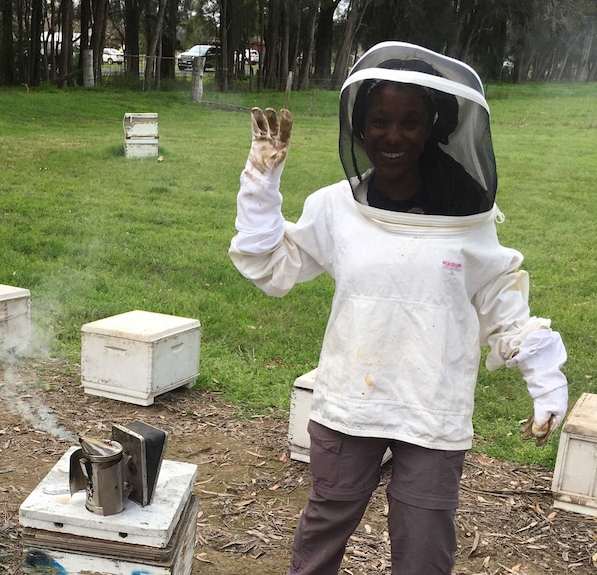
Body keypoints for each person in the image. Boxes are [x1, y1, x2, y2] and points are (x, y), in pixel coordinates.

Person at [228, 41, 569, 575]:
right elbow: (270, 265)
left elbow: (504, 302)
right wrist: (261, 183)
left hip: (432, 404)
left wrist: (545, 378)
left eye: (410, 122)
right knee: (325, 527)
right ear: (360, 129)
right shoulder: (334, 207)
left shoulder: (469, 218)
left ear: (434, 127)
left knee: (424, 546)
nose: (393, 135)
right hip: (350, 402)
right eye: (380, 120)